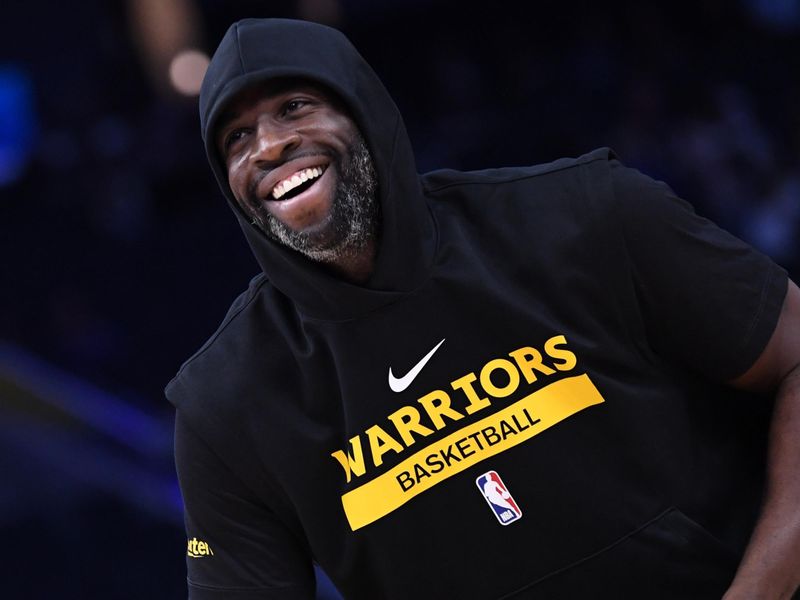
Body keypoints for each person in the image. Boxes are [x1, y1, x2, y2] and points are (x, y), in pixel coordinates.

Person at [167, 18, 800, 600]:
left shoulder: (585, 213)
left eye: (294, 108)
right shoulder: (226, 402)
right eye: (236, 137)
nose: (270, 146)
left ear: (364, 109)